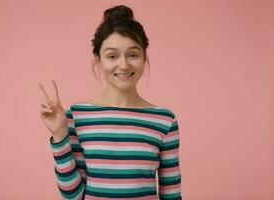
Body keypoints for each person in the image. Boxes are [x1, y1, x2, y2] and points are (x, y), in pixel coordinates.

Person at [38, 4, 182, 200]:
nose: (123, 65)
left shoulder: (164, 120)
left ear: (144, 57)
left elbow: (172, 194)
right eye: (112, 56)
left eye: (133, 54)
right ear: (98, 60)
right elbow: (72, 197)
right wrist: (60, 135)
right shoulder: (75, 117)